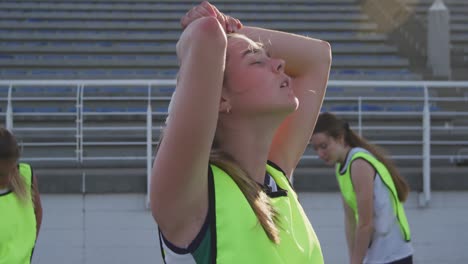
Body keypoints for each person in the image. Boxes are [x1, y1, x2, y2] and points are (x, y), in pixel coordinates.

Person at [150, 1, 331, 263]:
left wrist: (237, 31)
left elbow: (318, 55)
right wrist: (203, 30)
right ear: (221, 99)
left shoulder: (276, 176)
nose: (281, 63)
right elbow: (205, 35)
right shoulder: (190, 196)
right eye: (257, 61)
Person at [310, 112, 414, 264]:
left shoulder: (359, 164)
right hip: (376, 256)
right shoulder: (341, 167)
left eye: (324, 146)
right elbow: (350, 219)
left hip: (393, 256)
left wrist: (356, 261)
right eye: (316, 148)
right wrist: (354, 258)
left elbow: (366, 223)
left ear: (340, 138)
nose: (320, 153)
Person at [0, 127, 42, 264]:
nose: (8, 177)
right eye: (1, 174)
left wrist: (28, 245)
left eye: (12, 169)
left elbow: (38, 211)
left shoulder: (26, 175)